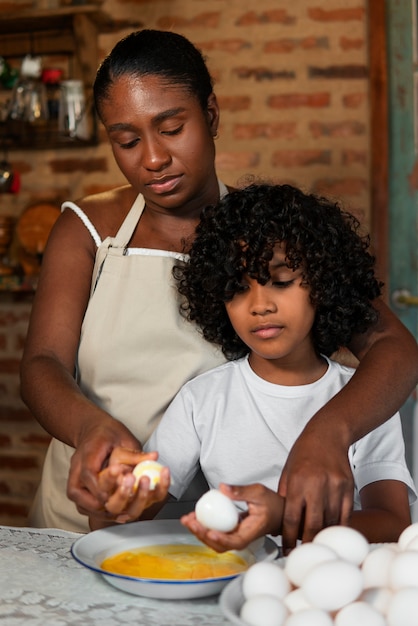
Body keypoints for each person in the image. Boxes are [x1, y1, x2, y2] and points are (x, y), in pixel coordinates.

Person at [19, 30, 418, 549]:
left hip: (219, 539)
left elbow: (395, 349)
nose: (154, 158)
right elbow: (41, 364)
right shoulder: (89, 229)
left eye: (172, 128)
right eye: (127, 140)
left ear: (210, 115)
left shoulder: (264, 237)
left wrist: (328, 432)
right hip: (104, 514)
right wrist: (90, 428)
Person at [97, 183, 416, 547]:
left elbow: (393, 525)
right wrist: (113, 499)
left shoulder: (364, 398)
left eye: (280, 282)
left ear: (323, 283)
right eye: (237, 289)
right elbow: (126, 518)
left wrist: (282, 518)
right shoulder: (203, 399)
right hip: (232, 583)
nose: (259, 305)